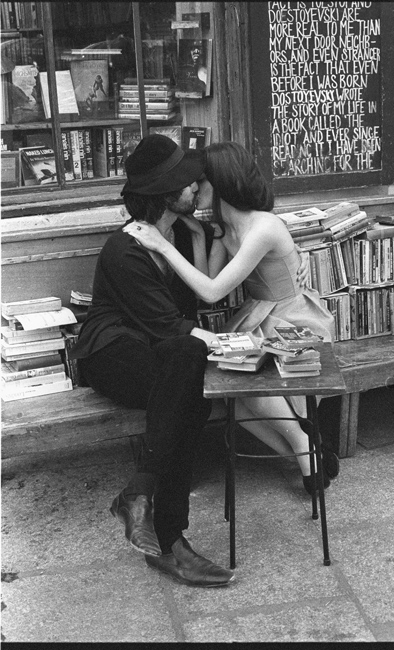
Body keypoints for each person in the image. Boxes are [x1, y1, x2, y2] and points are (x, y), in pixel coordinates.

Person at [123, 141, 340, 496]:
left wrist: (162, 245)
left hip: (293, 319)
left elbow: (211, 292)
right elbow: (207, 284)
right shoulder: (225, 229)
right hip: (259, 316)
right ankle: (306, 449)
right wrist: (198, 235)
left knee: (246, 381)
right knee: (231, 393)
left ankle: (305, 450)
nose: (194, 189)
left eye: (200, 181)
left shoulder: (263, 227)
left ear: (221, 182)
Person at [70, 134, 234, 588]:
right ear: (165, 194)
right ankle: (170, 541)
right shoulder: (124, 250)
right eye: (187, 182)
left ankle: (146, 504)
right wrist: (239, 347)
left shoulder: (178, 236)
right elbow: (171, 327)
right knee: (189, 391)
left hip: (161, 352)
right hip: (112, 354)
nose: (196, 186)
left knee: (188, 384)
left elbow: (191, 312)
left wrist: (199, 237)